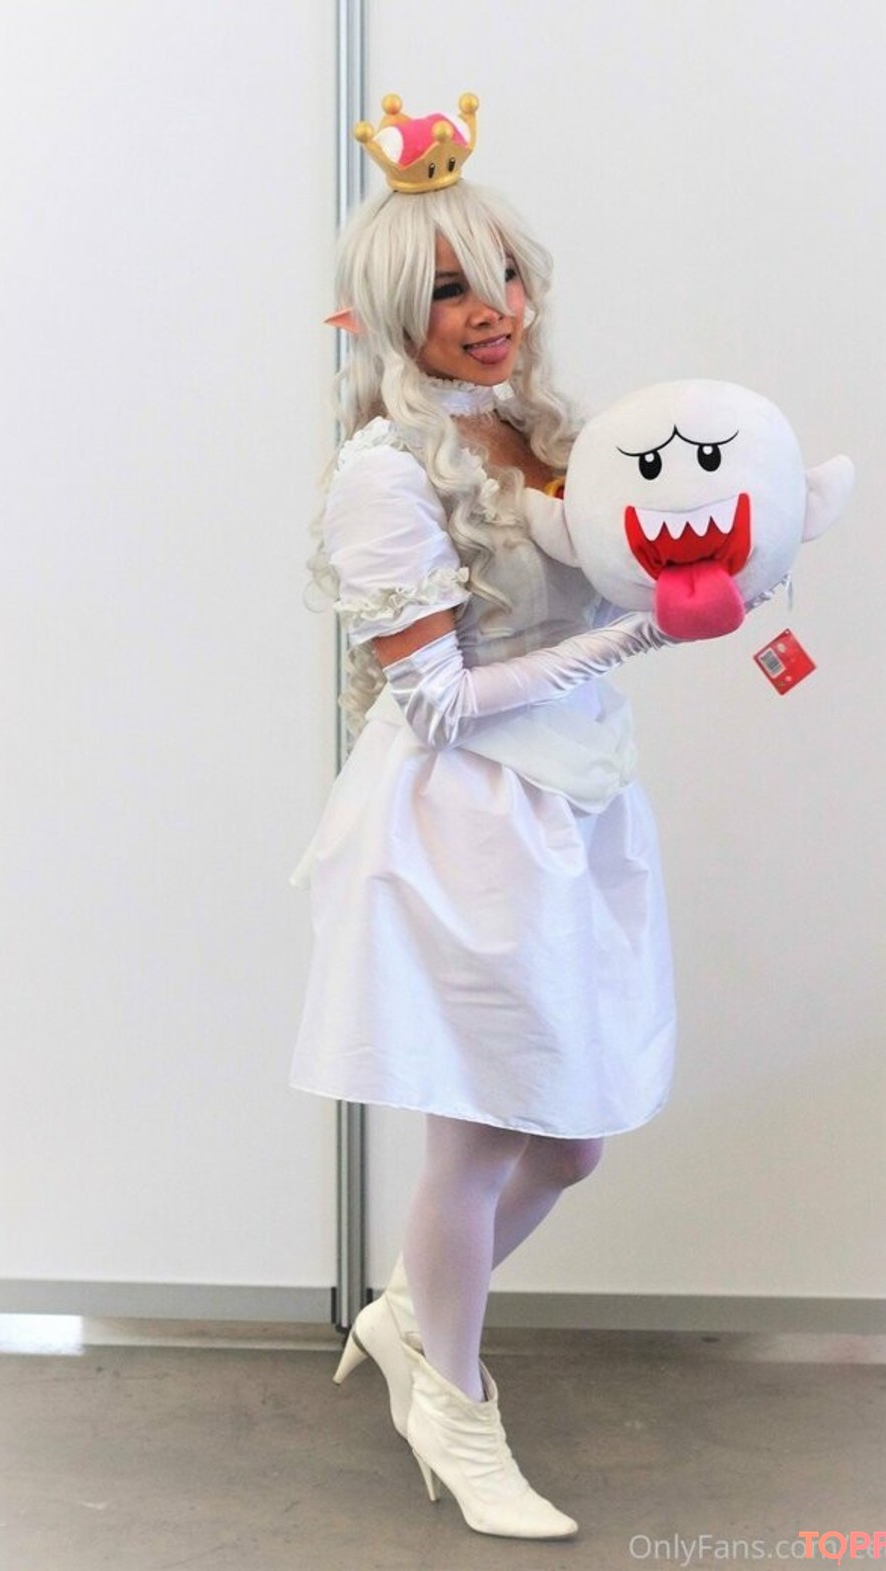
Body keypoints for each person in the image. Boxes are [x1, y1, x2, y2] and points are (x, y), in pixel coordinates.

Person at [290, 94, 680, 1542]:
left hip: (578, 811)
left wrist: (717, 571)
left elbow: (624, 569)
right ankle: (453, 1407)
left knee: (569, 1141)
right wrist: (636, 638)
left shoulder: (536, 428)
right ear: (394, 313)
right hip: (460, 833)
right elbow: (441, 702)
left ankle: (410, 1317)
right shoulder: (384, 474)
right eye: (452, 287)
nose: (492, 308)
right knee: (478, 1138)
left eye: (505, 273)